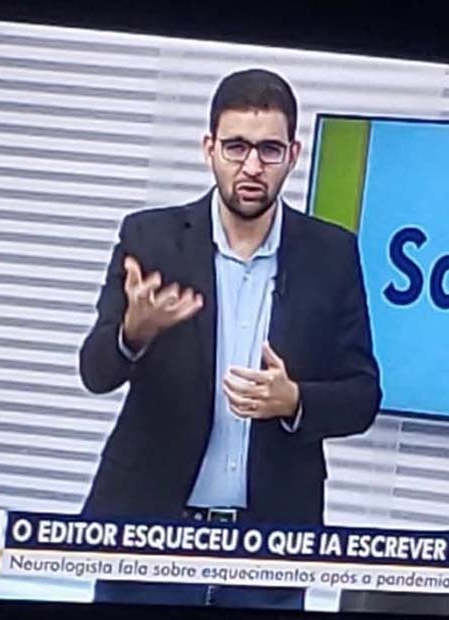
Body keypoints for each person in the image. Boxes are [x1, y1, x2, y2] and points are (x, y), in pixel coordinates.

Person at [79, 68, 382, 609]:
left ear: (293, 154)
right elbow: (95, 371)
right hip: (148, 540)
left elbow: (363, 395)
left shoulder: (331, 254)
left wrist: (295, 400)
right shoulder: (151, 239)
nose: (252, 166)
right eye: (236, 146)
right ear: (209, 148)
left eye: (269, 150)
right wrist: (133, 333)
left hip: (268, 550)